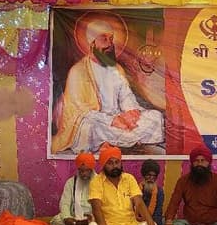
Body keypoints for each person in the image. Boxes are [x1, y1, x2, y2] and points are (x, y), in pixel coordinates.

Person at [51, 19, 164, 153]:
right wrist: (112, 120)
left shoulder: (116, 69)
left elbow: (126, 96)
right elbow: (81, 110)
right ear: (92, 43)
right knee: (90, 128)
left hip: (120, 117)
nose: (110, 44)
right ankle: (124, 141)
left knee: (155, 117)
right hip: (97, 120)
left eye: (111, 39)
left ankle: (116, 142)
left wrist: (131, 112)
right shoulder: (78, 71)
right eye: (104, 39)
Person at [86, 144, 162, 225]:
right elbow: (96, 209)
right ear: (103, 165)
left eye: (117, 162)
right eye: (110, 163)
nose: (114, 166)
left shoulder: (129, 178)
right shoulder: (96, 181)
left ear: (121, 163)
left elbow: (139, 203)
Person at [50, 152, 96, 225]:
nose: (84, 174)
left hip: (92, 218)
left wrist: (92, 218)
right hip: (74, 216)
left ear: (92, 170)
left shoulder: (99, 182)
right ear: (78, 170)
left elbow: (104, 206)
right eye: (81, 171)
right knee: (56, 220)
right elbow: (65, 203)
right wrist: (67, 218)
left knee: (102, 223)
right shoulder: (71, 182)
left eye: (87, 170)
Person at [139, 159, 165, 225]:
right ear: (144, 175)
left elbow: (158, 213)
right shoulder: (136, 189)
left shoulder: (159, 191)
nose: (151, 178)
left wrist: (152, 224)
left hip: (153, 221)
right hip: (138, 221)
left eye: (154, 176)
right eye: (149, 175)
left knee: (163, 223)